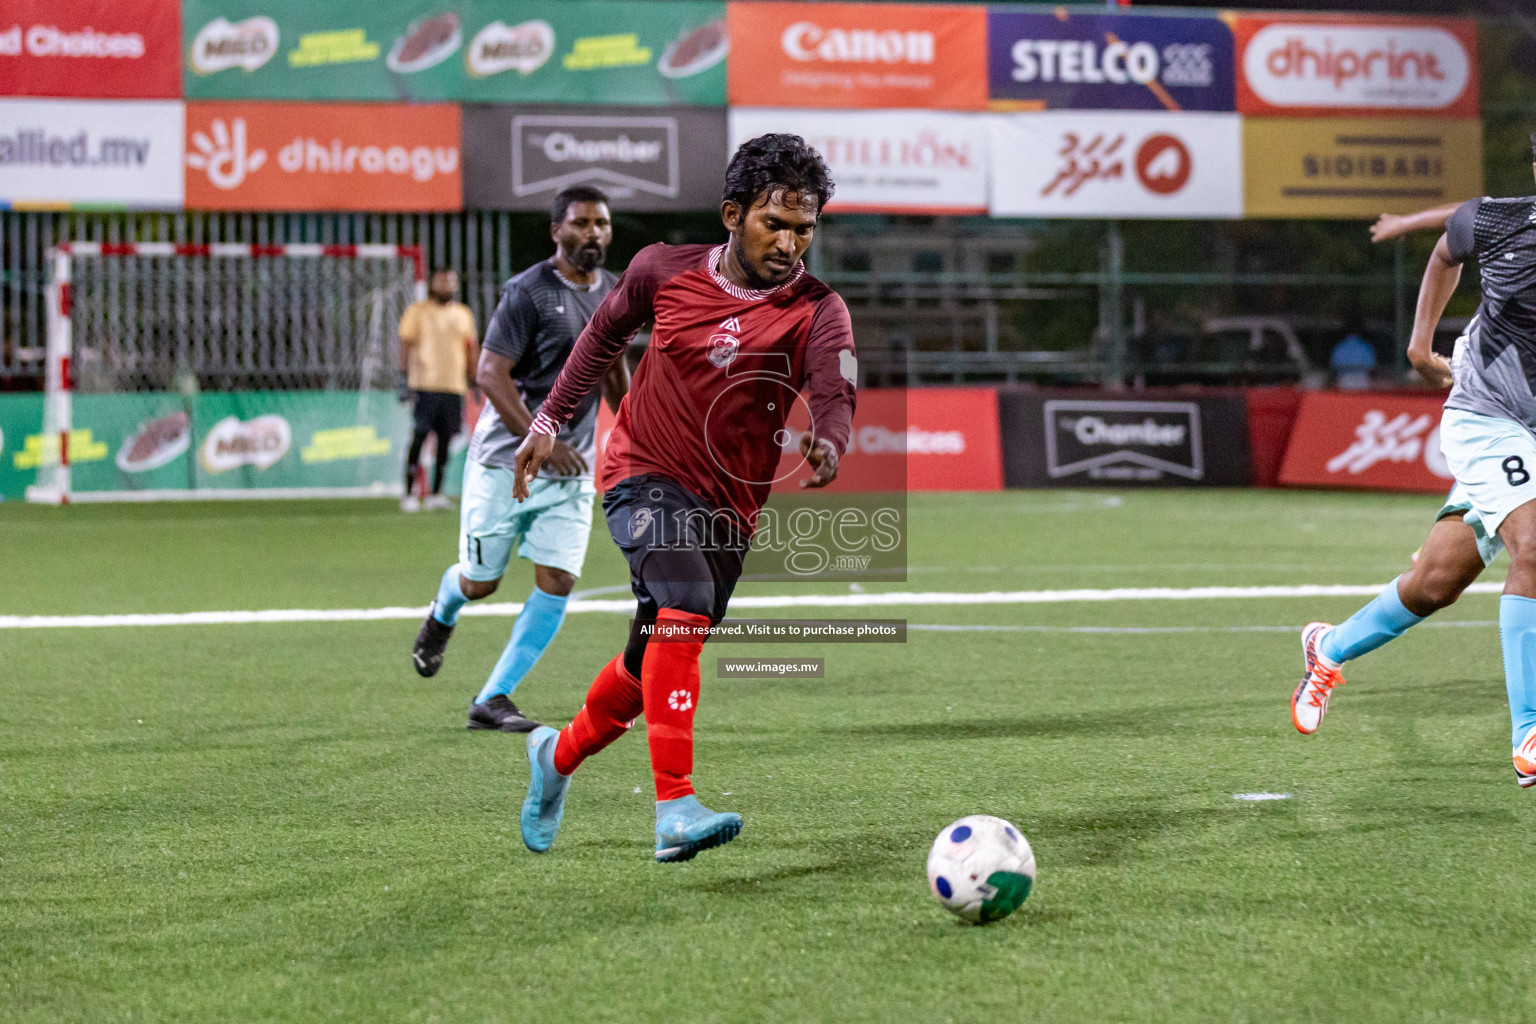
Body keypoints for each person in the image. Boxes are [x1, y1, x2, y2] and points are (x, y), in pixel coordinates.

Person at [511, 134, 856, 862]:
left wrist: (830, 437)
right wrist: (545, 421)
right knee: (685, 603)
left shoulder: (819, 309)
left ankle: (555, 759)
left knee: (651, 659)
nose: (792, 243)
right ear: (733, 214)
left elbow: (835, 388)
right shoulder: (660, 270)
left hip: (730, 507)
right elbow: (600, 341)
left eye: (805, 228)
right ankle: (675, 807)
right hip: (643, 471)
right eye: (776, 224)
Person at [1293, 136, 1536, 789]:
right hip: (1491, 418)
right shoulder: (1504, 221)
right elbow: (1451, 239)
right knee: (1534, 546)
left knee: (1436, 580)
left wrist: (1408, 219)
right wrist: (1420, 344)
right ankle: (1530, 734)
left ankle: (1329, 648)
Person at [411, 186, 629, 736]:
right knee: (482, 582)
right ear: (557, 231)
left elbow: (614, 369)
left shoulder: (614, 292)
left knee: (558, 578)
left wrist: (637, 431)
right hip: (504, 461)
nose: (594, 234)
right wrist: (543, 441)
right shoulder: (527, 292)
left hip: (571, 464)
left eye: (601, 224)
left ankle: (493, 696)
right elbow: (489, 373)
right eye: (581, 223)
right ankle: (443, 611)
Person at [398, 268, 477, 512]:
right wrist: (402, 377)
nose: (447, 285)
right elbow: (405, 344)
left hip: (454, 386)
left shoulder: (463, 314)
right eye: (442, 281)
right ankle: (409, 492)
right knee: (420, 435)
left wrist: (474, 379)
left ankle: (436, 493)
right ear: (433, 283)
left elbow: (471, 347)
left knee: (446, 440)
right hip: (425, 384)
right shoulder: (417, 312)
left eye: (451, 281)